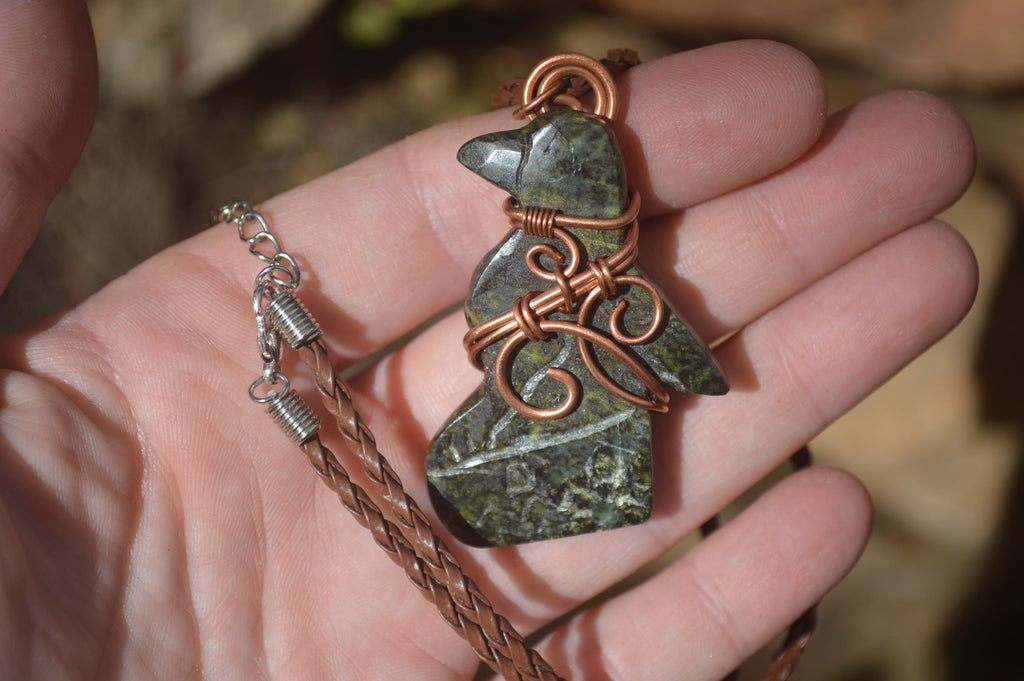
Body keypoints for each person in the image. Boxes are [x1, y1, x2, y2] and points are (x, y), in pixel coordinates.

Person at [0, 0, 978, 679]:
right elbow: (558, 336)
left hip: (584, 427)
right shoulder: (541, 268)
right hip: (547, 421)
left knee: (501, 456)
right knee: (476, 462)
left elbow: (647, 348)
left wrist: (638, 340)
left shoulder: (566, 270)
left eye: (526, 187)